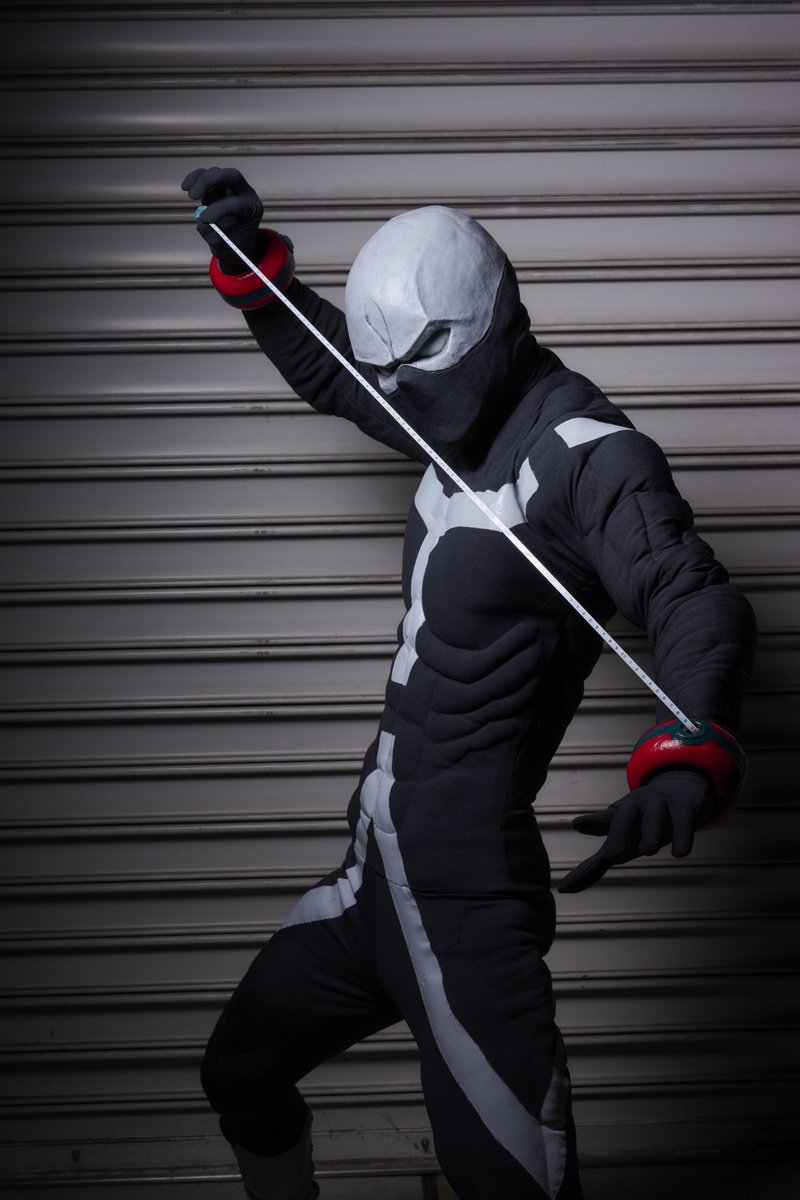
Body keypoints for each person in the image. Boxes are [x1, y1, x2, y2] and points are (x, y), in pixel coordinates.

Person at [181, 167, 756, 1200]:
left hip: (461, 903)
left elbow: (690, 594)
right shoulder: (441, 410)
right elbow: (337, 373)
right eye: (387, 375)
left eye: (416, 368)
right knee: (240, 1071)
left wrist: (687, 752)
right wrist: (256, 274)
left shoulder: (584, 455)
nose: (394, 395)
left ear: (491, 326)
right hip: (372, 877)